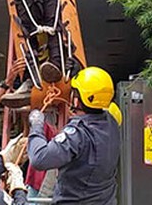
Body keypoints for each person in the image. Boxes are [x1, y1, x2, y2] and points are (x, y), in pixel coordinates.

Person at [27, 66, 121, 204]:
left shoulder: (77, 134)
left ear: (77, 99)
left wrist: (36, 126)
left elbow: (39, 158)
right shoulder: (112, 122)